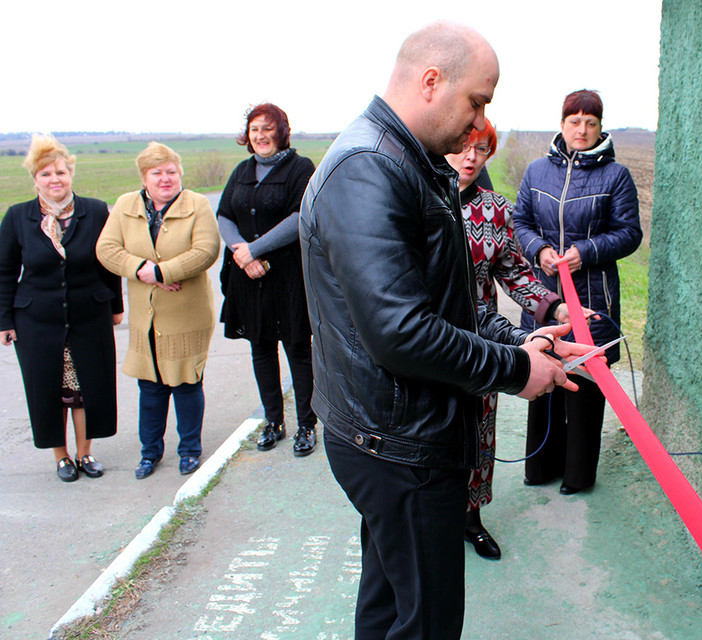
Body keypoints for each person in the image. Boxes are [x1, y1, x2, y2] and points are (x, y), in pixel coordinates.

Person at [300, 21, 598, 639]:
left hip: (402, 435)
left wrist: (521, 340)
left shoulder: (411, 162)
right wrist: (517, 371)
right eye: (478, 101)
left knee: (389, 606)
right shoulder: (369, 169)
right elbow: (401, 332)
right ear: (431, 81)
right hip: (398, 444)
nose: (479, 121)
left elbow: (449, 301)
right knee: (427, 623)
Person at [445, 117, 579, 559]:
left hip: (483, 342)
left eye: (480, 150)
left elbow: (516, 274)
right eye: (462, 146)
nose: (470, 157)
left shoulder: (493, 209)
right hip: (430, 341)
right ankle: (430, 516)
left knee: (480, 425)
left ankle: (470, 518)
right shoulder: (418, 201)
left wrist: (557, 307)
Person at [513, 89, 642, 495]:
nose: (582, 129)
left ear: (601, 127)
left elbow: (629, 234)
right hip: (545, 296)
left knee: (584, 386)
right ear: (562, 124)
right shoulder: (536, 171)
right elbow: (520, 222)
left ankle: (577, 476)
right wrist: (541, 250)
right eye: (574, 121)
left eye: (590, 122)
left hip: (593, 298)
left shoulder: (615, 176)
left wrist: (583, 253)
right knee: (544, 377)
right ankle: (540, 468)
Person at [0, 135, 122, 482]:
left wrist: (115, 306)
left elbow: (108, 262)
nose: (55, 179)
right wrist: (4, 319)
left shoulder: (96, 211)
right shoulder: (17, 217)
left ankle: (85, 454)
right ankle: (61, 457)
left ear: (71, 174)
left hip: (89, 315)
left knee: (87, 389)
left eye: (60, 172)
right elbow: (5, 271)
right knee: (51, 390)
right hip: (37, 321)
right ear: (34, 179)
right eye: (45, 174)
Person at [97, 142, 219, 479]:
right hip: (145, 317)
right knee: (150, 387)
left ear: (179, 173)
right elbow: (106, 249)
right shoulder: (125, 206)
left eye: (170, 171)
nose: (165, 179)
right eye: (157, 173)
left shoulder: (197, 205)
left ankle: (189, 451)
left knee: (185, 382)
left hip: (187, 314)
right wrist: (141, 269)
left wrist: (162, 272)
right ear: (145, 178)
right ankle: (150, 453)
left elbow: (206, 250)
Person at [217, 103, 317, 456]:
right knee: (260, 349)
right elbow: (225, 215)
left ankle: (307, 425)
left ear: (281, 132)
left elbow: (299, 217)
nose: (260, 136)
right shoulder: (242, 171)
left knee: (297, 349)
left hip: (287, 278)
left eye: (267, 129)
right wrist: (240, 252)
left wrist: (255, 249)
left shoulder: (299, 168)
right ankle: (273, 421)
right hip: (249, 278)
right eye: (255, 129)